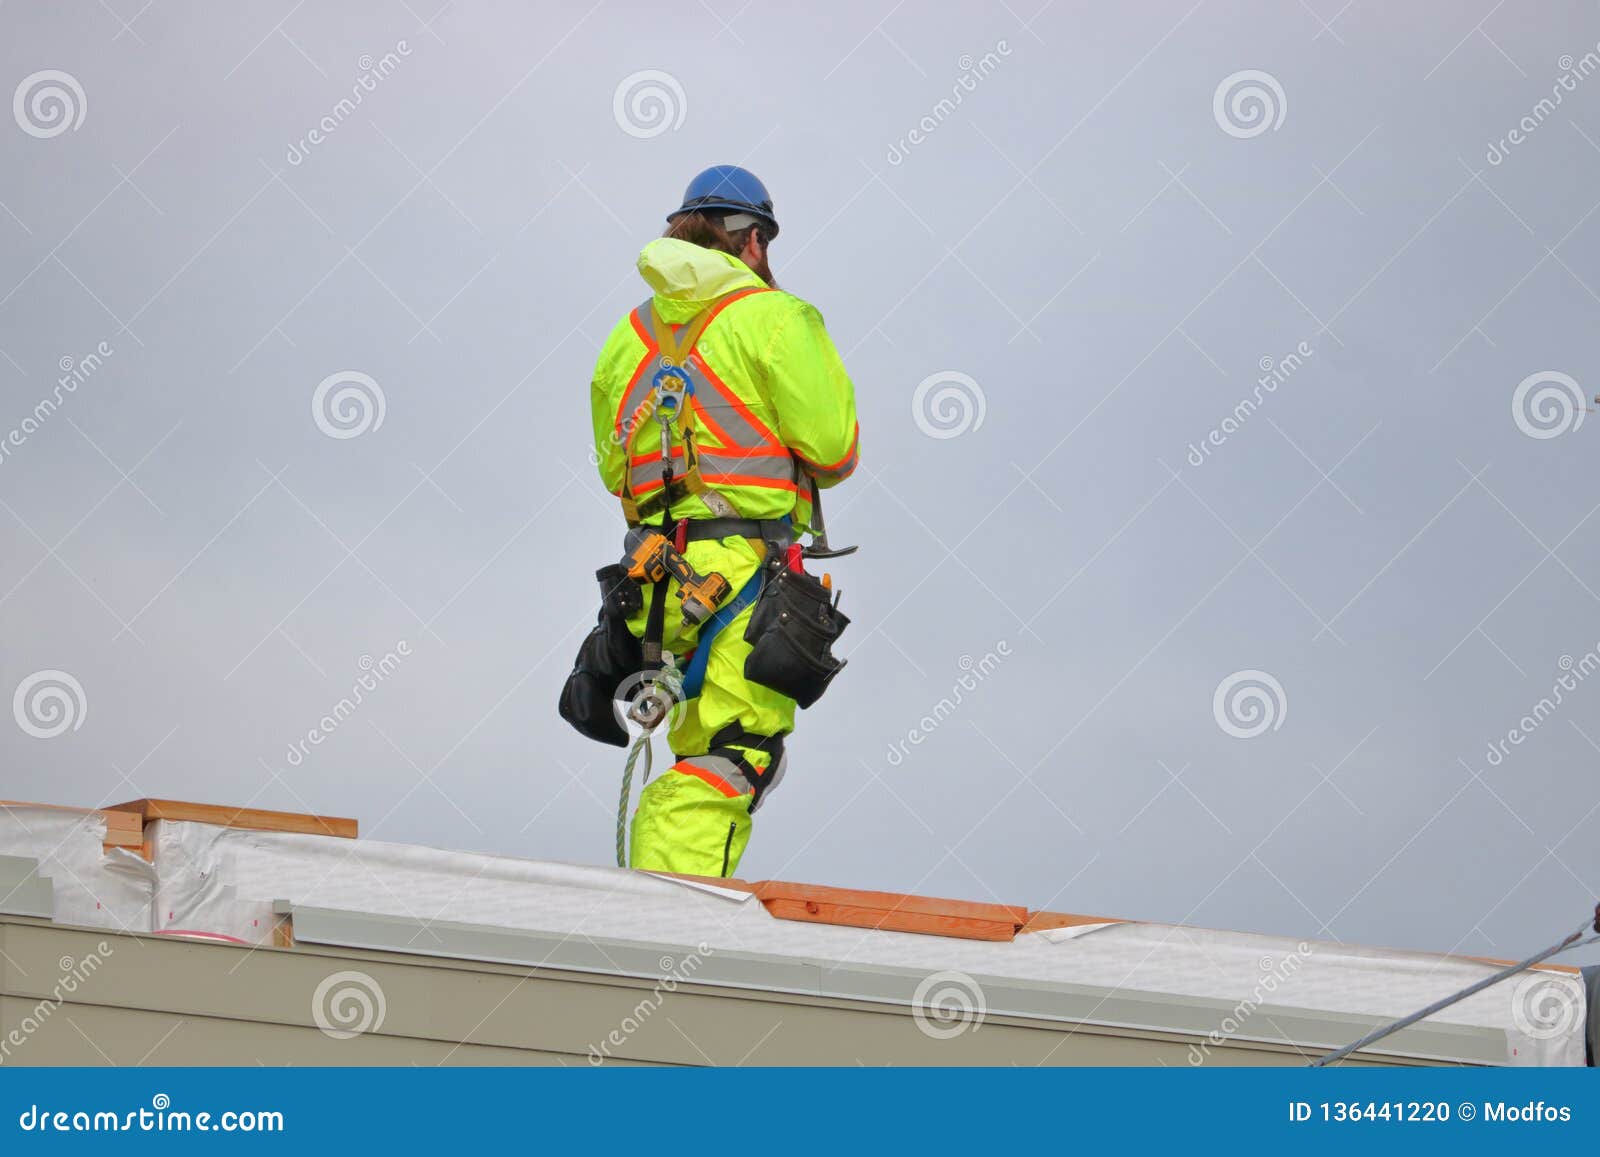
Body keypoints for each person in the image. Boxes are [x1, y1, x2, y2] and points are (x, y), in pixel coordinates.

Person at [587, 165, 859, 877]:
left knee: (703, 745)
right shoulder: (777, 318)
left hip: (656, 585)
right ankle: (666, 923)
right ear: (755, 242)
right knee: (736, 754)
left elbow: (615, 474)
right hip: (745, 578)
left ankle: (662, 897)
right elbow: (834, 451)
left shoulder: (627, 337)